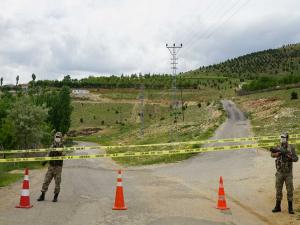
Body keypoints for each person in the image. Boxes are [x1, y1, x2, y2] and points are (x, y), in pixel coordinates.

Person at [271, 132, 298, 214]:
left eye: (284, 138)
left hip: (288, 173)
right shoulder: (278, 146)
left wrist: (290, 158)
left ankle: (290, 208)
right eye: (281, 137)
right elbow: (272, 154)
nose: (282, 139)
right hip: (279, 172)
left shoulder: (291, 147)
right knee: (278, 189)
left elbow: (296, 158)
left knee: (290, 190)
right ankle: (277, 206)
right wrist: (277, 154)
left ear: (287, 139)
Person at [37, 132, 64, 202]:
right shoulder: (52, 145)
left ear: (61, 138)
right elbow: (48, 153)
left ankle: (55, 196)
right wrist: (45, 161)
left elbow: (63, 153)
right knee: (46, 181)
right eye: (56, 137)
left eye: (58, 137)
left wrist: (58, 148)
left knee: (57, 182)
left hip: (58, 167)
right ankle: (42, 195)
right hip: (51, 166)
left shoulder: (62, 146)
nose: (57, 138)